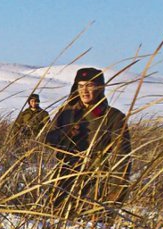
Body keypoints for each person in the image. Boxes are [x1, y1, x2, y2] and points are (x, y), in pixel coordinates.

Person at [45, 67, 132, 215]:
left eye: (90, 85)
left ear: (100, 88)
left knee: (91, 226)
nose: (84, 90)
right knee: (54, 219)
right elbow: (48, 139)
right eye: (80, 86)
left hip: (95, 181)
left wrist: (116, 192)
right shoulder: (66, 113)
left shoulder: (113, 117)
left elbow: (122, 158)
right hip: (63, 178)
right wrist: (64, 135)